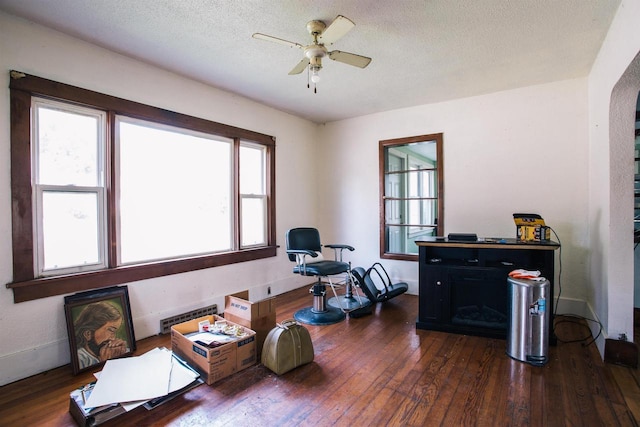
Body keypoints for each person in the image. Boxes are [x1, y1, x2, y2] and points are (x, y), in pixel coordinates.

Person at [74, 300, 129, 369]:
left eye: (115, 332)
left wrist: (123, 354)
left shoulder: (117, 350)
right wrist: (106, 362)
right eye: (111, 330)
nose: (113, 338)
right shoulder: (80, 359)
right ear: (88, 334)